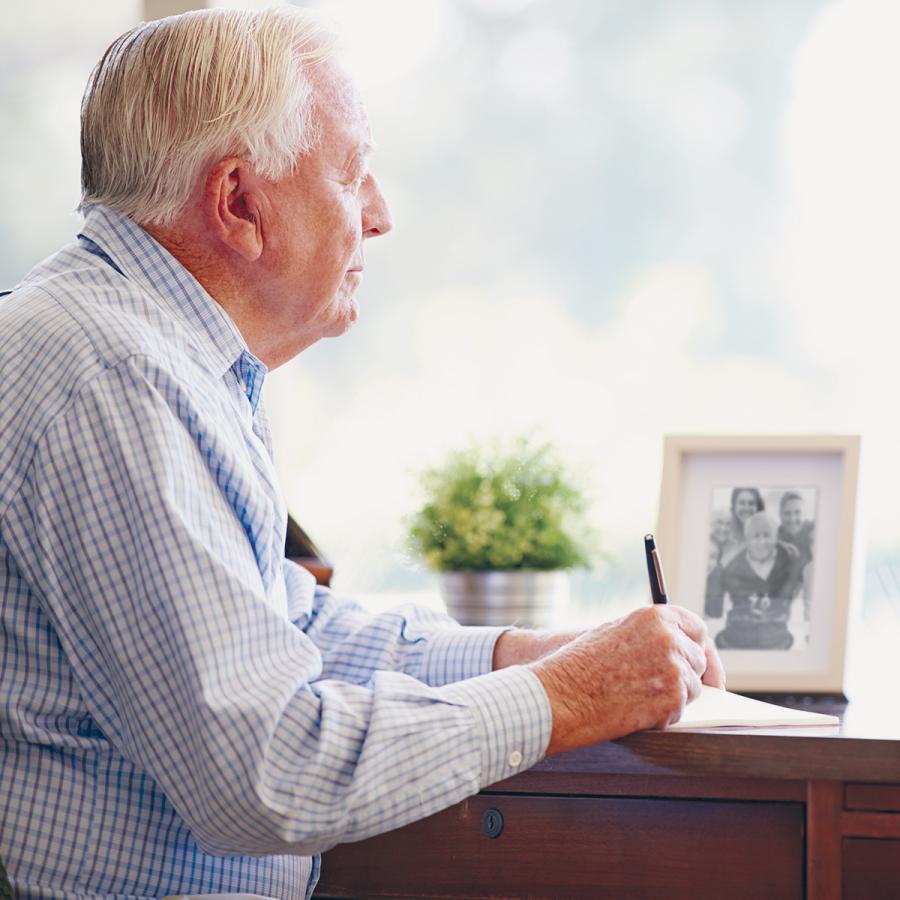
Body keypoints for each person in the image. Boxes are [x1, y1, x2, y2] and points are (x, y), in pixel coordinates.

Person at [0, 9, 724, 898]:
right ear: (238, 203)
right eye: (352, 176)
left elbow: (290, 626)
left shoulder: (155, 353)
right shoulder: (114, 376)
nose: (380, 215)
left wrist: (527, 652)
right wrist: (569, 695)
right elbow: (266, 772)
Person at [705, 512, 802, 650]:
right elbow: (713, 609)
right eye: (756, 536)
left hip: (779, 640)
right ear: (746, 540)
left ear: (775, 538)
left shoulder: (789, 559)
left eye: (767, 535)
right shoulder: (732, 567)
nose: (762, 542)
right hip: (736, 641)